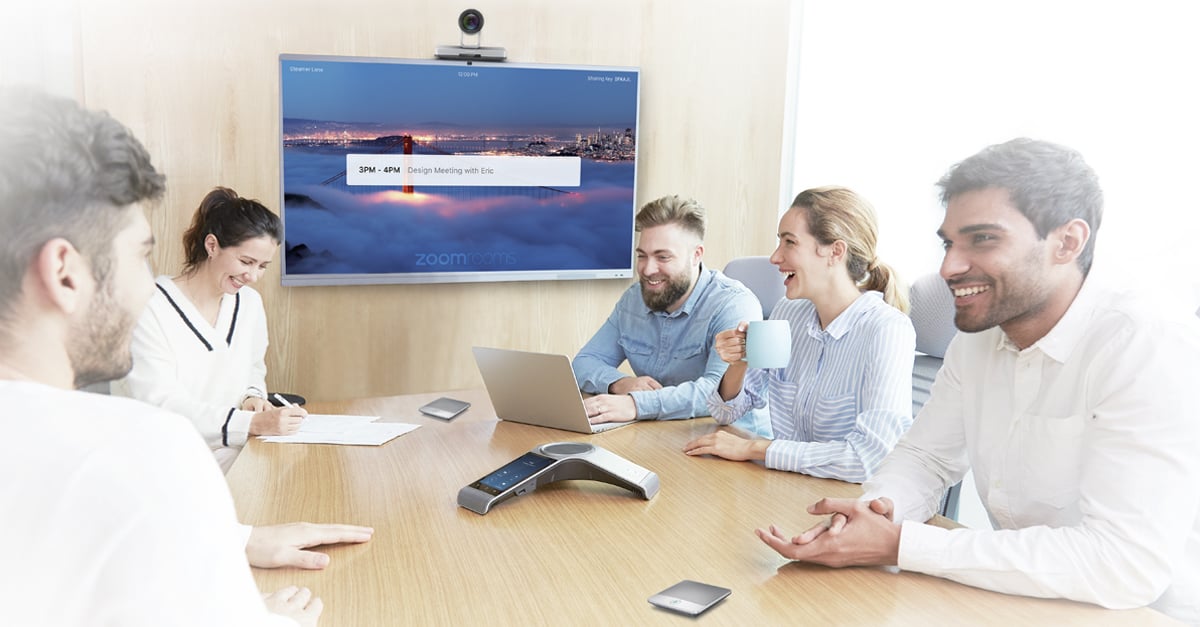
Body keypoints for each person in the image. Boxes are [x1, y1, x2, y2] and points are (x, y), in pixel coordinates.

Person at [755, 139, 1200, 623]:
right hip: (1013, 598)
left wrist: (905, 543)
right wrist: (873, 514)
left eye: (983, 239)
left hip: (1142, 612)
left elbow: (1123, 565)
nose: (949, 268)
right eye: (949, 243)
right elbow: (925, 457)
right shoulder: (980, 336)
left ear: (1067, 243)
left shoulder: (1146, 344)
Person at [0, 88, 373, 626]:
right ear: (64, 272)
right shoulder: (147, 450)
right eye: (139, 253)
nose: (143, 283)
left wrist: (239, 541)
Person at [683, 187, 915, 482]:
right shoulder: (788, 314)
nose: (775, 257)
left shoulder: (886, 330)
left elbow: (870, 459)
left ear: (835, 252)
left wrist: (756, 448)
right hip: (787, 488)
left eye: (789, 242)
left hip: (851, 503)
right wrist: (740, 361)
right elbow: (724, 413)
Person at [112, 187, 304, 473]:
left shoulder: (249, 303)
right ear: (212, 246)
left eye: (263, 266)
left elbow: (253, 368)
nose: (252, 276)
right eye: (246, 261)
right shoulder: (150, 306)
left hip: (233, 450)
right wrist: (248, 423)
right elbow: (159, 404)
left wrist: (252, 398)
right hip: (164, 460)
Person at [571, 195, 769, 436]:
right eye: (642, 255)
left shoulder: (734, 304)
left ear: (697, 255)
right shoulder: (633, 299)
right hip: (663, 434)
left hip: (730, 440)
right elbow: (585, 361)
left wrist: (636, 404)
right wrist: (621, 384)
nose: (647, 269)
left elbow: (715, 392)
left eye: (663, 257)